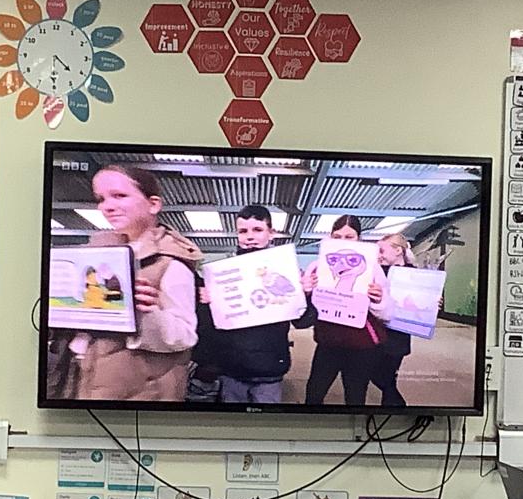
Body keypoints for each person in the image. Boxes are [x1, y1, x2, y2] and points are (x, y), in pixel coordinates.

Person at [50, 164, 202, 401]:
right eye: (101, 199)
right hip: (78, 379)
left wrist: (144, 313)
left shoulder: (170, 261)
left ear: (153, 204)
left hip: (136, 394)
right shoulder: (93, 257)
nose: (107, 206)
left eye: (119, 195)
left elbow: (184, 335)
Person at [191, 205, 313, 404]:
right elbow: (210, 328)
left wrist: (306, 294)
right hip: (232, 370)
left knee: (265, 421)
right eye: (243, 231)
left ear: (271, 233)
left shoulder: (288, 272)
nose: (250, 237)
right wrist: (205, 303)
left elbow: (303, 322)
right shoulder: (221, 276)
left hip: (270, 370)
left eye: (257, 230)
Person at [302, 215, 394, 405]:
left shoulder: (373, 269)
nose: (343, 241)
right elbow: (305, 313)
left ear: (359, 238)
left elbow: (387, 314)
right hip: (328, 343)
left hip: (361, 345)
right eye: (337, 236)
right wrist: (307, 292)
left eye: (349, 236)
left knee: (355, 396)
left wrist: (377, 300)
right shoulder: (317, 267)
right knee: (314, 393)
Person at [370, 233, 416, 406]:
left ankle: (394, 407)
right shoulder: (376, 272)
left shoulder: (416, 275)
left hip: (398, 337)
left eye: (382, 250)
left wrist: (433, 302)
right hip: (375, 334)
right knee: (376, 374)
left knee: (387, 377)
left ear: (398, 250)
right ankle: (396, 407)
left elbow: (421, 303)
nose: (379, 255)